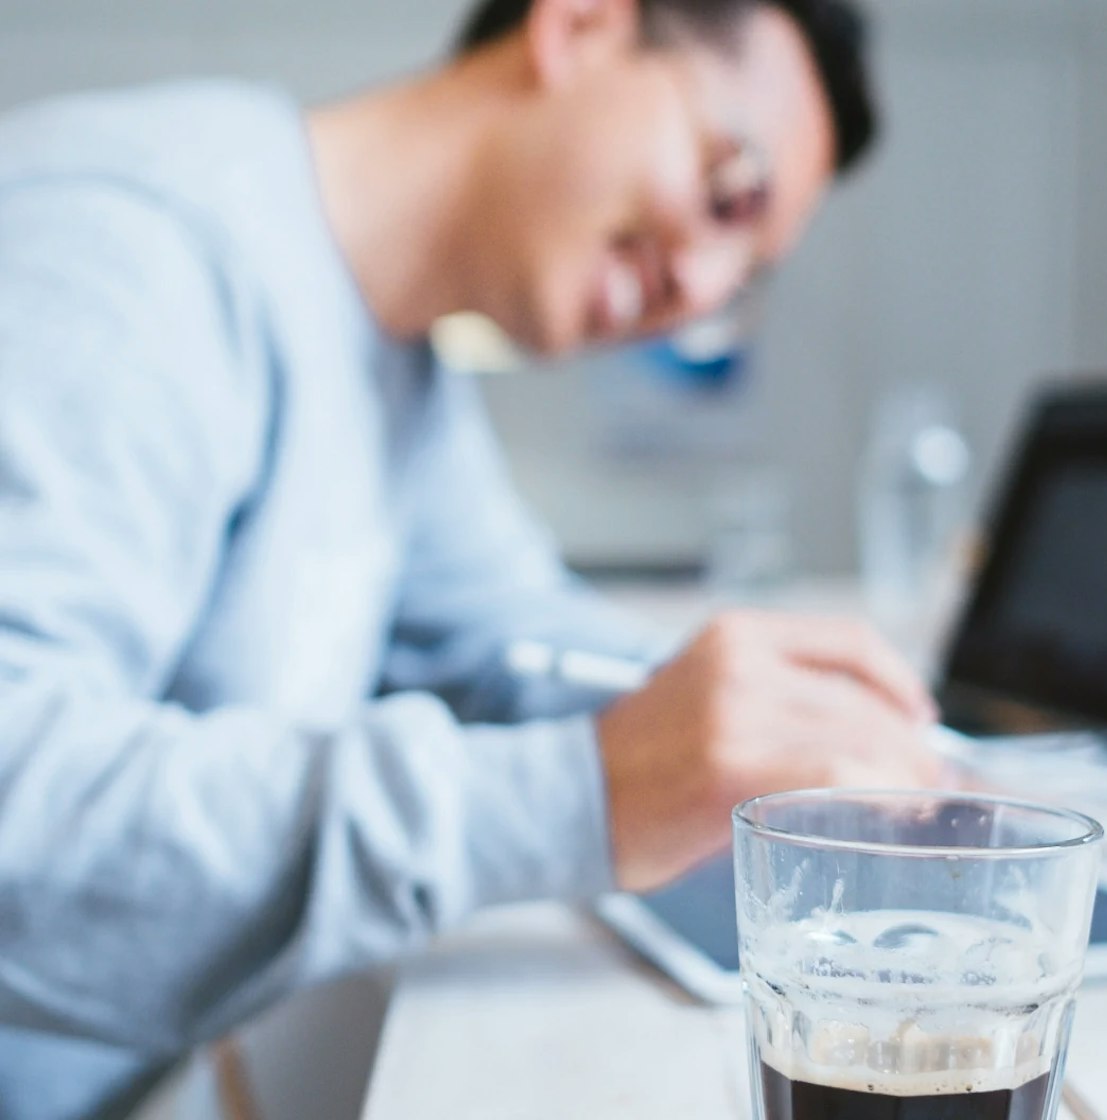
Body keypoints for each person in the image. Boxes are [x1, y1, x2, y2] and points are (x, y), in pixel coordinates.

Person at [0, 0, 941, 1115]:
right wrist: (588, 792)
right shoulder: (129, 251)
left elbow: (523, 641)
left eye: (742, 276)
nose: (700, 293)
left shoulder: (393, 364)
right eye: (728, 192)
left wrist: (798, 736)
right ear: (583, 26)